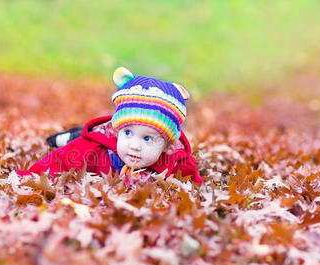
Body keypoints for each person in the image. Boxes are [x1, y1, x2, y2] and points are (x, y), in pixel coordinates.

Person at [17, 67, 204, 184]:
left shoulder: (174, 160)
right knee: (80, 139)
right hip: (103, 140)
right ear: (118, 130)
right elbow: (59, 161)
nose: (134, 145)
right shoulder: (94, 150)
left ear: (166, 145)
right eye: (128, 132)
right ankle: (70, 135)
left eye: (147, 138)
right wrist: (28, 177)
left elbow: (192, 181)